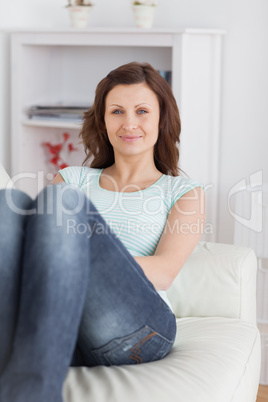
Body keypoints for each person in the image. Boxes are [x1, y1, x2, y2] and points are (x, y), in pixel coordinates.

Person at [0, 62, 205, 402]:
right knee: (8, 203)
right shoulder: (73, 178)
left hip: (140, 327)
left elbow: (165, 272)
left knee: (63, 201)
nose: (129, 123)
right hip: (69, 326)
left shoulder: (182, 192)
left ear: (161, 119)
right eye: (117, 111)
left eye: (142, 111)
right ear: (103, 120)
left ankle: (32, 393)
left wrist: (81, 260)